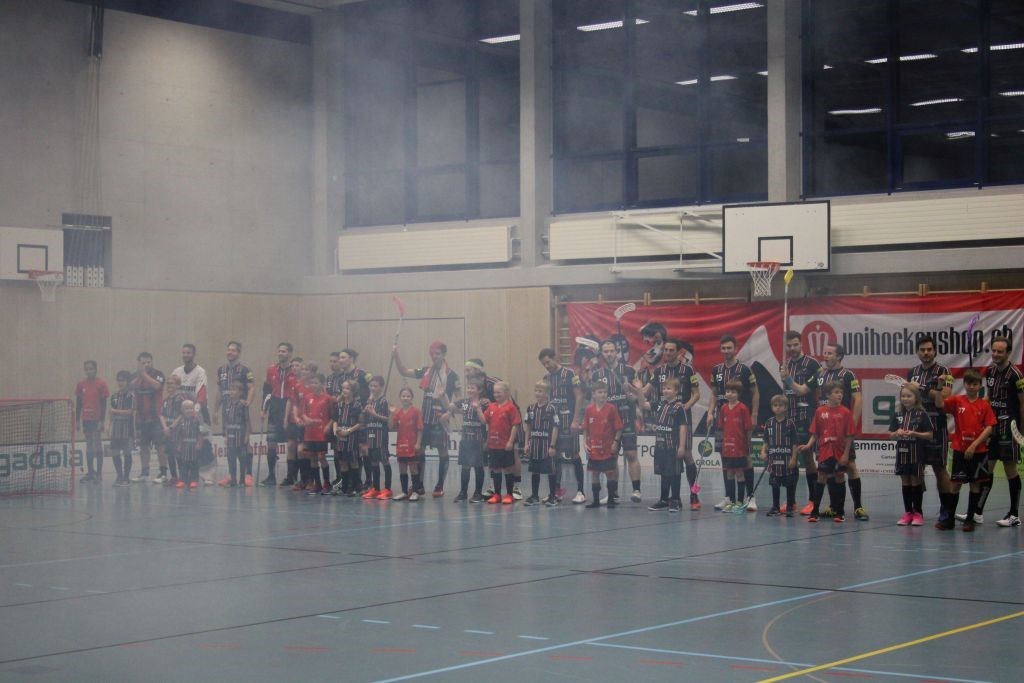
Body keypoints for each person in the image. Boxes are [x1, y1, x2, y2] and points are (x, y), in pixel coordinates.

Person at [393, 340, 459, 497]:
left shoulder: (452, 375)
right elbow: (403, 371)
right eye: (432, 354)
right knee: (419, 450)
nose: (434, 356)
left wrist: (449, 413)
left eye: (438, 354)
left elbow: (459, 399)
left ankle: (439, 486)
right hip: (425, 419)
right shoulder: (426, 371)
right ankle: (419, 485)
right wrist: (396, 356)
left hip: (440, 419)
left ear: (444, 354)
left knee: (442, 450)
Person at [640, 338, 701, 508]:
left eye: (671, 350)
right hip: (665, 419)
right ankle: (670, 498)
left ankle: (694, 493)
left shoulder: (688, 370)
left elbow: (696, 394)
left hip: (681, 419)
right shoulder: (659, 370)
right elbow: (646, 390)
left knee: (686, 455)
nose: (667, 353)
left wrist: (684, 406)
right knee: (668, 458)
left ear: (678, 352)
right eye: (665, 350)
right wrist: (635, 392)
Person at [935, 370, 997, 532]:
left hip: (978, 451)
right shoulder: (957, 401)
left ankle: (969, 520)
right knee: (955, 485)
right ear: (964, 384)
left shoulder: (984, 405)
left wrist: (974, 445)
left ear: (980, 386)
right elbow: (939, 404)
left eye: (975, 384)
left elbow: (989, 427)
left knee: (975, 485)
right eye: (968, 383)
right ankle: (949, 520)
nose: (971, 387)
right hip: (959, 450)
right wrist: (939, 386)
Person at [816, 343, 868, 521]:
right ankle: (834, 507)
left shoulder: (848, 375)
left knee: (850, 465)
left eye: (829, 353)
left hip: (842, 430)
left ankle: (858, 507)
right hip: (826, 430)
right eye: (825, 353)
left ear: (839, 356)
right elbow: (807, 391)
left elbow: (858, 399)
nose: (826, 356)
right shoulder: (821, 375)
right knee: (830, 467)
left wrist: (850, 425)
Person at [708, 335, 759, 512]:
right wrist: (710, 412)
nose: (726, 351)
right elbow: (714, 393)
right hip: (722, 420)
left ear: (735, 349)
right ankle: (728, 498)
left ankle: (750, 497)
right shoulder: (716, 370)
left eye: (729, 348)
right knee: (725, 457)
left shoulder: (745, 370)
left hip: (741, 422)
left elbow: (755, 392)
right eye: (723, 348)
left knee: (746, 459)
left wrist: (754, 414)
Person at [977, 337, 1024, 527]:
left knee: (1009, 469)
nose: (996, 354)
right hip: (992, 427)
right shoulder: (989, 371)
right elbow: (989, 397)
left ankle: (1014, 515)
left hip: (1009, 428)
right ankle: (977, 512)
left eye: (1000, 351)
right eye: (994, 351)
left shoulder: (1016, 376)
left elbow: (1022, 405)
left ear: (1008, 353)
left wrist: (1021, 431)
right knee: (986, 469)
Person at [906, 336, 953, 523]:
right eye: (922, 350)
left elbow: (945, 396)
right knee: (916, 469)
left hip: (936, 425)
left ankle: (946, 509)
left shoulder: (945, 372)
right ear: (917, 352)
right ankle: (917, 512)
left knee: (939, 468)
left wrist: (923, 388)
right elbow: (908, 396)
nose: (926, 353)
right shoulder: (912, 372)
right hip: (916, 425)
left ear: (935, 351)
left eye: (929, 349)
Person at [591, 340, 641, 503]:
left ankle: (636, 490)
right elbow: (595, 399)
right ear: (602, 353)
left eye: (611, 351)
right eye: (605, 351)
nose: (609, 354)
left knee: (631, 454)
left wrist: (632, 394)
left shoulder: (629, 370)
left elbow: (638, 395)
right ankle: (613, 493)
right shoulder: (597, 374)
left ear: (617, 352)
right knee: (611, 458)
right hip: (608, 424)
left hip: (626, 419)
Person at [799, 381, 856, 523]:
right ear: (828, 395)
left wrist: (846, 454)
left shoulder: (846, 412)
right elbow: (815, 433)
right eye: (836, 392)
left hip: (839, 452)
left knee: (839, 477)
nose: (840, 395)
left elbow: (850, 435)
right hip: (824, 451)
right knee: (821, 477)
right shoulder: (820, 411)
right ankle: (815, 512)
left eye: (841, 393)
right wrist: (808, 445)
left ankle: (840, 512)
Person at [780, 330, 821, 515]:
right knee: (791, 458)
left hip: (806, 416)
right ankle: (791, 502)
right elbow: (786, 393)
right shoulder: (785, 364)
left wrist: (787, 378)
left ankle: (813, 500)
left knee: (807, 457)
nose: (792, 348)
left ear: (801, 344)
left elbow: (802, 391)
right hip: (790, 416)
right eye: (789, 345)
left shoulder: (813, 364)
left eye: (795, 344)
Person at [538, 348, 585, 503]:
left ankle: (581, 491)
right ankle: (556, 491)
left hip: (568, 421)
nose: (547, 366)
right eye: (544, 364)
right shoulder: (546, 378)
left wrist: (576, 420)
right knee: (555, 456)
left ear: (555, 357)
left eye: (548, 362)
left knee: (574, 455)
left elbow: (579, 397)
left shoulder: (570, 374)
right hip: (554, 423)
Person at [643, 377, 692, 513]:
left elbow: (683, 428)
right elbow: (644, 405)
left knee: (675, 473)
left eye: (669, 388)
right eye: (664, 388)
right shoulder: (660, 404)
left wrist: (681, 446)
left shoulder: (679, 407)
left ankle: (675, 500)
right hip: (660, 446)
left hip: (673, 446)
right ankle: (663, 500)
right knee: (664, 473)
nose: (665, 390)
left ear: (676, 391)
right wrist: (638, 392)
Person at [888, 385, 933, 526]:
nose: (905, 399)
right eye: (903, 396)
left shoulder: (922, 414)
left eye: (909, 396)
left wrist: (915, 433)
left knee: (915, 481)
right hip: (902, 453)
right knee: (905, 482)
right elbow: (890, 435)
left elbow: (930, 435)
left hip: (916, 453)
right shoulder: (897, 415)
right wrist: (896, 433)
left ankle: (918, 513)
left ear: (916, 398)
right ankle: (908, 512)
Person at [214, 341, 256, 485]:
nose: (230, 352)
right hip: (227, 411)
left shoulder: (245, 370)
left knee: (245, 443)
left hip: (240, 411)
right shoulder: (221, 370)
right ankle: (231, 475)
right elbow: (219, 391)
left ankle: (248, 474)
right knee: (230, 444)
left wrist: (247, 402)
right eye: (228, 350)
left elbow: (252, 388)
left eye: (233, 350)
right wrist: (215, 410)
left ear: (238, 352)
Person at [581, 382, 623, 509]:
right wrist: (584, 443)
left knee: (610, 473)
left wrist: (616, 442)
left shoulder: (611, 408)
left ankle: (611, 500)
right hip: (594, 448)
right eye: (600, 392)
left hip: (608, 447)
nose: (603, 394)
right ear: (593, 394)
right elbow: (585, 428)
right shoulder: (589, 410)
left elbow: (619, 428)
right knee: (595, 473)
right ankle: (595, 501)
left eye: (605, 392)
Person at [717, 380, 753, 511]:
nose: (729, 394)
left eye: (733, 392)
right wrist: (722, 445)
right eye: (727, 391)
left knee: (739, 474)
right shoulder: (723, 408)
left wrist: (747, 444)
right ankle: (731, 501)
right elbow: (721, 428)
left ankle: (740, 501)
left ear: (738, 393)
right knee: (729, 474)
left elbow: (748, 428)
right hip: (727, 448)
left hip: (739, 448)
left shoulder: (743, 408)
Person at [449, 380, 487, 503]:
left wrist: (478, 409)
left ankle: (478, 493)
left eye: (473, 388)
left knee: (478, 466)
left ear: (479, 390)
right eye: (469, 387)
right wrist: (442, 395)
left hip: (477, 439)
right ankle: (463, 492)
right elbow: (450, 407)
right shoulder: (464, 402)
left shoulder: (484, 403)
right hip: (465, 439)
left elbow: (484, 421)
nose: (470, 390)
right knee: (465, 466)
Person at [483, 381, 521, 504]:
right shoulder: (491, 406)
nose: (496, 395)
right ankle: (497, 494)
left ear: (507, 393)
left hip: (505, 445)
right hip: (493, 445)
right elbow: (485, 421)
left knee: (508, 469)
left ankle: (509, 494)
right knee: (495, 469)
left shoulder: (511, 407)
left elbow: (515, 425)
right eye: (494, 392)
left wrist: (510, 441)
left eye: (499, 392)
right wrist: (477, 408)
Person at [261, 342, 293, 487]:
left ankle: (291, 476)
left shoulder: (294, 370)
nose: (280, 353)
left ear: (290, 354)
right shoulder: (271, 369)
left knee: (291, 444)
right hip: (274, 408)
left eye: (284, 351)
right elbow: (266, 391)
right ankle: (271, 475)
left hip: (289, 407)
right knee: (271, 444)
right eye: (279, 351)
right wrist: (263, 409)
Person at [523, 380, 560, 506]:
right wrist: (526, 443)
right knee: (535, 471)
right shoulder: (530, 408)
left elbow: (555, 427)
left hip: (546, 446)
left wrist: (552, 446)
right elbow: (528, 427)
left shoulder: (552, 409)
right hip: (534, 446)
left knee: (550, 471)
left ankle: (553, 496)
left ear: (547, 393)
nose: (537, 393)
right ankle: (534, 496)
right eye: (536, 390)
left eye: (541, 391)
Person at [761, 395, 799, 517]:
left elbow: (795, 443)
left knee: (789, 484)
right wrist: (763, 451)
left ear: (786, 407)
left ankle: (789, 506)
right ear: (772, 407)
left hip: (787, 460)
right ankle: (775, 506)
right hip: (774, 460)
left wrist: (794, 458)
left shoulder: (790, 423)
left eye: (780, 405)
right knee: (775, 484)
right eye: (775, 405)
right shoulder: (769, 423)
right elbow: (766, 440)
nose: (778, 408)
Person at [130, 352, 165, 482]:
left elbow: (157, 386)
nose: (147, 365)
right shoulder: (135, 376)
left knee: (160, 446)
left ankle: (163, 473)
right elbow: (130, 386)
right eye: (143, 363)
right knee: (143, 447)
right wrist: (140, 375)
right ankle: (144, 473)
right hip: (141, 418)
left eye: (149, 362)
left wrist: (144, 375)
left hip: (156, 418)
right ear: (139, 364)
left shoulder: (158, 374)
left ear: (152, 362)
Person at [296, 373, 332, 494]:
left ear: (322, 384)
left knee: (321, 457)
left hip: (321, 433)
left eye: (316, 383)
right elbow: (303, 413)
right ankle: (317, 484)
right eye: (312, 383)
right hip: (309, 433)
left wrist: (328, 426)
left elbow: (333, 416)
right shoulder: (307, 397)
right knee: (312, 457)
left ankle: (327, 483)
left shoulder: (327, 398)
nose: (313, 385)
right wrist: (307, 420)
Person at [75, 360, 109, 483]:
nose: (89, 371)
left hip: (96, 420)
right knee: (89, 445)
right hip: (86, 419)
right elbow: (78, 403)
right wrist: (77, 420)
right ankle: (90, 472)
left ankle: (99, 474)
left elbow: (104, 404)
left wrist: (102, 420)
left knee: (97, 444)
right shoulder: (81, 384)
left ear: (96, 369)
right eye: (87, 369)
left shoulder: (101, 384)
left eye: (91, 368)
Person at [329, 380, 363, 496]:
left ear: (353, 391)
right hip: (340, 437)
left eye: (347, 388)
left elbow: (360, 423)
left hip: (351, 437)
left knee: (353, 461)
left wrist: (348, 431)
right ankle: (344, 487)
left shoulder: (357, 405)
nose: (344, 391)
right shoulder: (339, 405)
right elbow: (335, 419)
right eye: (343, 388)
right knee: (342, 461)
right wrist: (335, 430)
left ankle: (355, 486)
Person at [361, 375, 392, 500]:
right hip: (370, 434)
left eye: (375, 386)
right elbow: (364, 418)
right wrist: (365, 411)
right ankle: (376, 488)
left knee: (384, 460)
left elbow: (387, 419)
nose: (372, 388)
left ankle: (388, 489)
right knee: (373, 461)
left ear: (381, 387)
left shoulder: (384, 401)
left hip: (381, 435)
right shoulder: (370, 401)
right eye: (371, 386)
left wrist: (374, 414)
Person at [390, 386, 423, 501]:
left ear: (411, 398)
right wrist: (392, 414)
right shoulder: (398, 413)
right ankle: (404, 492)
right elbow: (391, 426)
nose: (405, 398)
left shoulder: (416, 411)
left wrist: (418, 443)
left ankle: (415, 491)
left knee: (413, 468)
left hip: (412, 445)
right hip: (401, 445)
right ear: (400, 397)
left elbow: (420, 429)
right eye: (403, 396)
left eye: (408, 396)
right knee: (402, 469)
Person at [219, 378, 251, 487]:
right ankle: (233, 480)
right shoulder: (227, 405)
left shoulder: (243, 405)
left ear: (240, 392)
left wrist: (247, 435)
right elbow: (226, 421)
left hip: (240, 436)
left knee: (242, 459)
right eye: (230, 390)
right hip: (231, 436)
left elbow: (247, 421)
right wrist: (226, 435)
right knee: (231, 458)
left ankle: (242, 480)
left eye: (234, 390)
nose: (231, 392)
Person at [107, 370, 135, 486]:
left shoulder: (131, 396)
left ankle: (126, 477)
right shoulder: (114, 396)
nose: (120, 383)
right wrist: (109, 426)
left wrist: (115, 411)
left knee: (127, 452)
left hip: (127, 427)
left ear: (128, 382)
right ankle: (119, 476)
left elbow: (130, 412)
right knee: (115, 452)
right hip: (116, 427)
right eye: (118, 380)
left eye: (123, 380)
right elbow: (111, 413)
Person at [172, 344, 209, 423]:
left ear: (194, 354)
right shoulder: (177, 371)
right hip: (180, 413)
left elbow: (201, 396)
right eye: (184, 353)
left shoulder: (200, 372)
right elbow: (171, 392)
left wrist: (194, 412)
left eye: (188, 353)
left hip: (196, 412)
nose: (185, 355)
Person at [159, 374, 185, 485]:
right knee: (170, 454)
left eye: (171, 383)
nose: (168, 385)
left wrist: (172, 426)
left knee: (178, 453)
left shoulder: (181, 398)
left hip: (178, 430)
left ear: (178, 385)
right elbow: (161, 414)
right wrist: (165, 427)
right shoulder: (165, 400)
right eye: (167, 383)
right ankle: (174, 477)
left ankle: (183, 477)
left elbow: (182, 414)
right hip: (167, 430)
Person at [174, 400, 201, 489]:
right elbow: (179, 435)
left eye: (191, 408)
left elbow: (201, 433)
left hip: (194, 445)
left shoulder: (197, 420)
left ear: (194, 409)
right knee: (184, 464)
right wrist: (179, 445)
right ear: (182, 410)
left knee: (194, 464)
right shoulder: (181, 421)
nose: (189, 410)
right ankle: (182, 480)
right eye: (186, 408)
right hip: (184, 446)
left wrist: (199, 443)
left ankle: (194, 480)